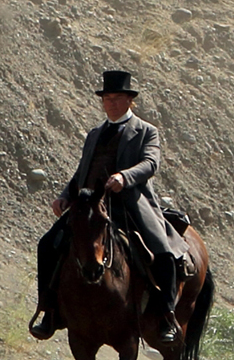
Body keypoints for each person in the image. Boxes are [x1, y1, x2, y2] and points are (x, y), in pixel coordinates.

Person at [29, 70, 191, 345]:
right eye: (107, 98)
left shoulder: (146, 131)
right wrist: (64, 196)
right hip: (91, 205)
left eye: (117, 98)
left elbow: (151, 164)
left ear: (130, 101)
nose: (111, 103)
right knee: (47, 244)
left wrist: (124, 177)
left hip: (130, 203)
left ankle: (167, 316)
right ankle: (49, 310)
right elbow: (83, 172)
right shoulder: (94, 134)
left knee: (162, 250)